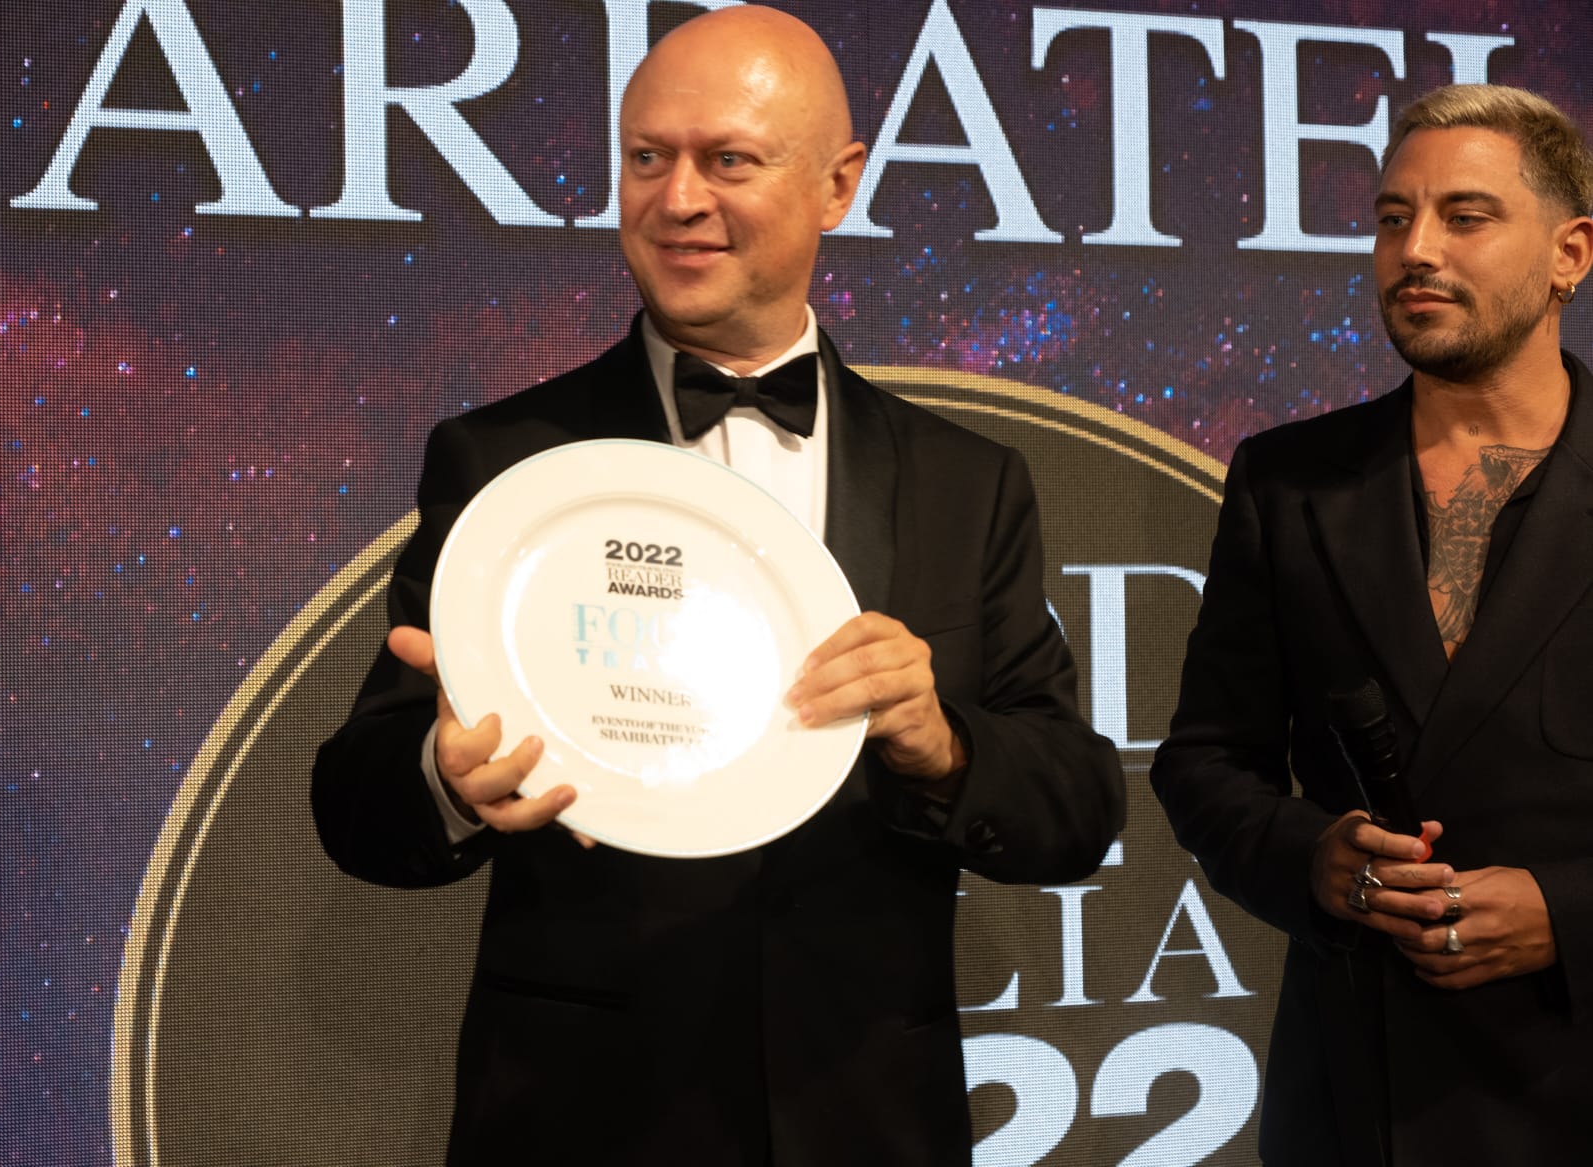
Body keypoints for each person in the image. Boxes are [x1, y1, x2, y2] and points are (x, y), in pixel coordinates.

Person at [312, 6, 1123, 1164]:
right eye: (648, 157)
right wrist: (444, 777)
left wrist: (942, 745)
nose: (677, 198)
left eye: (729, 160)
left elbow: (1075, 810)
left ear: (837, 184)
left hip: (868, 1119)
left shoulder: (966, 481)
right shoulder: (500, 462)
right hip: (581, 1119)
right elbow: (355, 806)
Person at [1151, 83, 1593, 1166]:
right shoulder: (1287, 480)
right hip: (1355, 1102)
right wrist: (1317, 860)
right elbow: (1204, 763)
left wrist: (1569, 913)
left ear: (1569, 254)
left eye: (1465, 216)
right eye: (1393, 218)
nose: (1415, 250)